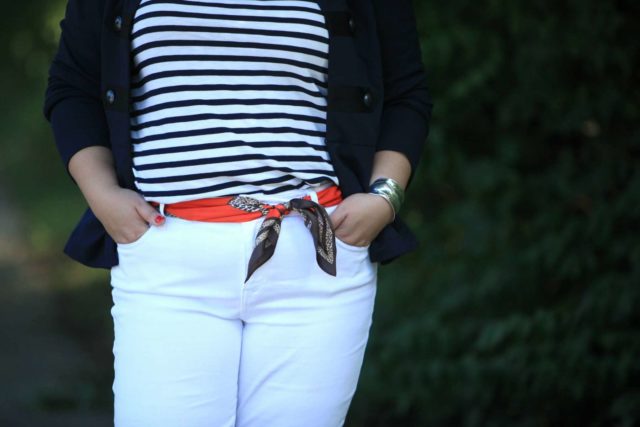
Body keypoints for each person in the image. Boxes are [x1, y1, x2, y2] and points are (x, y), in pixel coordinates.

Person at [43, 0, 433, 425]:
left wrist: (385, 196)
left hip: (317, 258)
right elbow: (73, 87)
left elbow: (404, 90)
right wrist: (102, 196)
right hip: (169, 258)